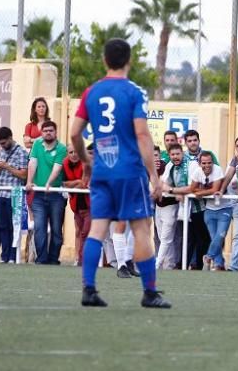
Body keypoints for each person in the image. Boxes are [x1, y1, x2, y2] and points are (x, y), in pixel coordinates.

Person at [69, 38, 170, 309]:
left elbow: (74, 133)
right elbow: (141, 134)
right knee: (141, 230)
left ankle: (89, 289)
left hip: (102, 171)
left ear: (104, 60)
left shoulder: (91, 92)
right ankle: (149, 293)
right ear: (130, 60)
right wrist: (154, 177)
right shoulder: (134, 92)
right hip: (130, 172)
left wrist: (86, 160)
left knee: (98, 228)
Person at [25, 120, 67, 265]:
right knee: (39, 228)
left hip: (56, 195)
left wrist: (49, 183)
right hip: (38, 194)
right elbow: (32, 163)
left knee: (56, 229)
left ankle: (53, 259)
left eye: (51, 130)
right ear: (41, 133)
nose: (48, 133)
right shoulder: (37, 144)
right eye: (45, 131)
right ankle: (41, 259)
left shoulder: (62, 148)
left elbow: (57, 168)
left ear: (55, 133)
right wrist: (29, 181)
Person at [0, 127, 28, 263]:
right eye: (0, 144)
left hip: (14, 194)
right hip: (0, 193)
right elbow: (1, 174)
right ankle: (5, 256)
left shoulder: (21, 153)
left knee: (13, 226)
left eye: (4, 143)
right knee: (2, 226)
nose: (2, 146)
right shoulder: (1, 152)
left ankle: (13, 256)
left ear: (11, 138)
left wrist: (6, 166)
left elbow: (24, 174)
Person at [189, 151, 231, 271]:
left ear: (213, 162)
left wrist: (200, 192)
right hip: (209, 209)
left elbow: (215, 189)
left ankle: (208, 257)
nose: (207, 165)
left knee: (220, 235)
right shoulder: (197, 172)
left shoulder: (217, 169)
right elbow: (192, 189)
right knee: (214, 238)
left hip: (224, 208)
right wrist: (199, 191)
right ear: (199, 163)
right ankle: (219, 264)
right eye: (204, 163)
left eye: (209, 163)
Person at [156, 143, 187, 269]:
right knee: (162, 237)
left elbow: (191, 186)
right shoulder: (168, 166)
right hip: (159, 206)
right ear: (169, 155)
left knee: (166, 237)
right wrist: (173, 190)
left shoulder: (188, 166)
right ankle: (169, 264)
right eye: (172, 154)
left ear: (182, 154)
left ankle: (158, 264)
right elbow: (161, 184)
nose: (175, 156)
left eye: (177, 154)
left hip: (172, 206)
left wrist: (172, 190)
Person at [61, 146, 90, 266]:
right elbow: (62, 183)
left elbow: (84, 184)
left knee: (86, 232)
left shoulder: (86, 164)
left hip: (90, 205)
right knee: (78, 232)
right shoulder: (64, 164)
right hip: (76, 204)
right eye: (71, 152)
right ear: (67, 154)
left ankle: (86, 259)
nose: (73, 154)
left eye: (76, 151)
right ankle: (78, 259)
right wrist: (77, 182)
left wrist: (74, 184)